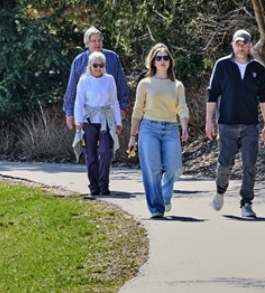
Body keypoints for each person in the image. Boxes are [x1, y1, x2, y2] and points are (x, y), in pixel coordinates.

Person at [205, 28, 265, 218]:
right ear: (232, 45)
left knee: (250, 165)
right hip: (227, 123)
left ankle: (246, 203)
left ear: (250, 45)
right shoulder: (222, 66)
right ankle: (220, 190)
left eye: (244, 44)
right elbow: (212, 94)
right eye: (238, 43)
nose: (241, 47)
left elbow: (264, 98)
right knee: (225, 164)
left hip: (250, 125)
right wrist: (209, 121)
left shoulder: (258, 69)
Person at [128, 44, 189, 218]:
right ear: (153, 62)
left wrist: (184, 127)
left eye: (165, 58)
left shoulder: (177, 85)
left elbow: (182, 107)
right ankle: (156, 208)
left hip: (170, 128)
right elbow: (138, 109)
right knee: (152, 169)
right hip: (149, 128)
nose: (162, 61)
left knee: (174, 168)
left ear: (170, 61)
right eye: (159, 58)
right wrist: (132, 136)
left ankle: (165, 195)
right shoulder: (145, 84)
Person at [74, 51, 123, 196]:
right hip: (89, 121)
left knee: (105, 151)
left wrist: (118, 122)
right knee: (91, 154)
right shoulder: (84, 81)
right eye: (95, 65)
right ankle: (94, 185)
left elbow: (114, 102)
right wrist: (78, 120)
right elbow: (79, 102)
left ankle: (104, 184)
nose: (98, 68)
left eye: (101, 65)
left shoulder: (109, 80)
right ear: (90, 65)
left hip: (105, 121)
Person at [63, 26, 130, 131]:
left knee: (108, 141)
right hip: (87, 117)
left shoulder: (112, 58)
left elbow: (121, 85)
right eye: (94, 41)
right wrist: (70, 113)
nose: (97, 44)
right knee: (88, 141)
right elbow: (71, 90)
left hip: (109, 114)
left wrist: (123, 107)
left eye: (99, 40)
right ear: (87, 43)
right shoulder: (79, 61)